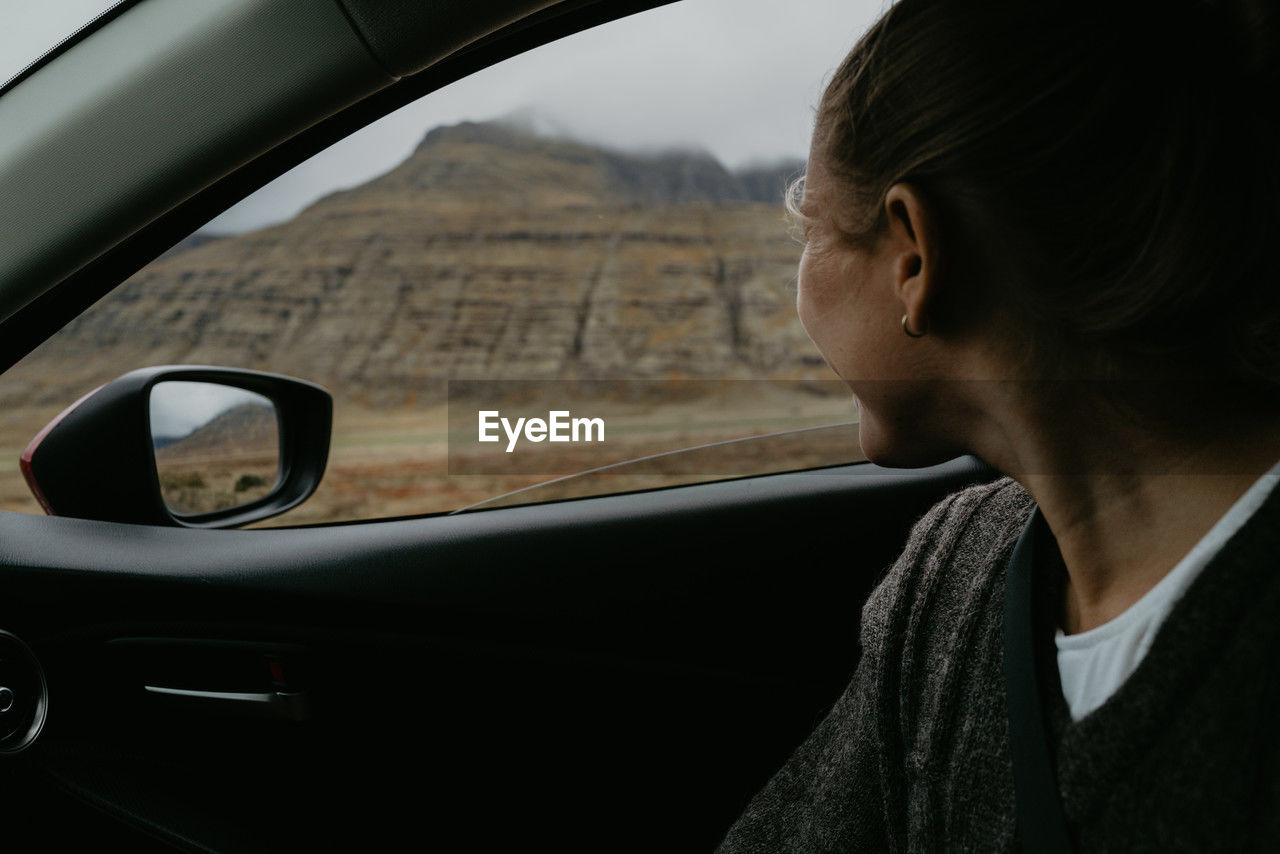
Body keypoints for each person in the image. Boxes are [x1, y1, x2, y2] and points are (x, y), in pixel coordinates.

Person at [717, 0, 1280, 850]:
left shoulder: (955, 583)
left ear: (913, 254)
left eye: (815, 226)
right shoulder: (953, 565)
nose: (803, 268)